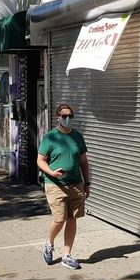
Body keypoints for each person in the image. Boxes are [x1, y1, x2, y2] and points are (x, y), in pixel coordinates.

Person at [37, 103, 91, 270]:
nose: (67, 119)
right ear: (58, 117)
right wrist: (52, 173)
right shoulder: (50, 137)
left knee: (72, 219)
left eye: (70, 116)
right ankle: (49, 242)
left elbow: (83, 161)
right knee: (59, 219)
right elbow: (40, 160)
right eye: (64, 116)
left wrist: (87, 183)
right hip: (55, 184)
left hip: (76, 184)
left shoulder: (77, 137)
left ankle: (66, 255)